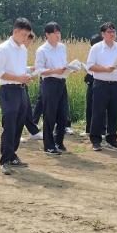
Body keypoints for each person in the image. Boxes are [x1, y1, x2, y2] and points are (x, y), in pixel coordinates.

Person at [0, 18, 34, 175]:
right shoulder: (3, 48)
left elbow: (19, 69)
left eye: (27, 35)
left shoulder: (23, 49)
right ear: (15, 31)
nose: (26, 39)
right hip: (8, 90)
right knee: (9, 124)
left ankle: (12, 155)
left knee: (19, 124)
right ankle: (4, 160)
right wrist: (19, 78)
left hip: (21, 89)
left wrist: (27, 73)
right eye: (24, 35)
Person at [86, 22, 117, 151]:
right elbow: (90, 66)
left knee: (114, 112)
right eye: (109, 32)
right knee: (98, 112)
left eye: (114, 32)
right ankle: (95, 140)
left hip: (116, 84)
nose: (112, 34)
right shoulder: (96, 48)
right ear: (103, 34)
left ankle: (112, 139)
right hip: (101, 84)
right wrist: (105, 69)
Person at [35, 22, 72, 155]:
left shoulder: (62, 47)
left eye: (59, 32)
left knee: (63, 114)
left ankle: (59, 141)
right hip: (49, 83)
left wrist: (70, 68)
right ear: (47, 34)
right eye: (55, 33)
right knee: (50, 115)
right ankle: (48, 145)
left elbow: (63, 63)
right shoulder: (42, 50)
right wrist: (55, 70)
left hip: (62, 82)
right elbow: (39, 70)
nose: (58, 35)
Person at [80, 33, 104, 138]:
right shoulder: (93, 51)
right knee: (89, 105)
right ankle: (88, 129)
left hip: (100, 81)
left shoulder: (105, 53)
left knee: (101, 107)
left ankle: (102, 130)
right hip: (91, 80)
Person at [21, 33, 43, 142]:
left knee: (27, 108)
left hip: (22, 83)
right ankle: (15, 133)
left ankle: (33, 131)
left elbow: (21, 68)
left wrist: (30, 69)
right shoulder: (14, 50)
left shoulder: (23, 51)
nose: (29, 44)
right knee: (16, 110)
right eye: (28, 41)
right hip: (13, 84)